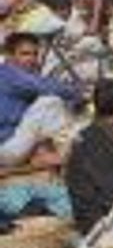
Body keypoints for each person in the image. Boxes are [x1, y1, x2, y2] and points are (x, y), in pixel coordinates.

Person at [64, 78, 113, 234]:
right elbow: (112, 193)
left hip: (102, 208)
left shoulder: (97, 132)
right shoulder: (97, 140)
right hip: (97, 220)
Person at [0, 32, 81, 168]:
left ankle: (43, 153)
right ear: (9, 56)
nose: (31, 59)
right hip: (7, 147)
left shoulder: (22, 76)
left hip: (14, 144)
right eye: (25, 54)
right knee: (49, 102)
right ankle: (67, 153)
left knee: (52, 106)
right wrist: (77, 91)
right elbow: (50, 87)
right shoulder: (8, 74)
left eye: (35, 54)